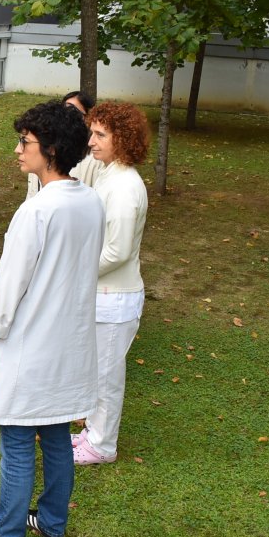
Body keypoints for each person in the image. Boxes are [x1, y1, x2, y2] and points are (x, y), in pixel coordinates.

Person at [0, 101, 104, 537]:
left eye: (26, 142)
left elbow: (8, 287)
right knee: (56, 437)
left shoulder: (37, 211)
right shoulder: (90, 202)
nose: (18, 150)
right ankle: (53, 522)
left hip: (32, 346)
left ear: (53, 149)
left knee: (19, 446)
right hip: (69, 346)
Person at [73, 102, 150, 465]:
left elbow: (117, 252)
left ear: (123, 138)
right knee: (96, 370)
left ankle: (102, 446)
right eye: (92, 132)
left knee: (106, 375)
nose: (91, 141)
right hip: (102, 295)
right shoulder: (109, 175)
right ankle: (92, 431)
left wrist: (77, 272)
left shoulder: (124, 186)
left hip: (115, 297)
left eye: (100, 134)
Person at [26, 90, 98, 199]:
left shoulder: (95, 158)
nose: (67, 116)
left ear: (88, 118)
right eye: (63, 110)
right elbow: (32, 192)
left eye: (74, 111)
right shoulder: (41, 149)